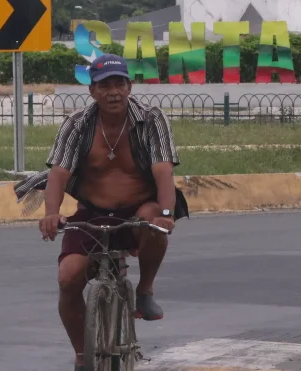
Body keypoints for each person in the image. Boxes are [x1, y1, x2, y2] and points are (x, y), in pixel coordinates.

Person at [21, 54, 187, 370]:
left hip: (140, 207)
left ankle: (145, 290)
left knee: (154, 223)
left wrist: (166, 212)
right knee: (68, 278)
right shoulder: (77, 124)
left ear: (130, 86)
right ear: (92, 91)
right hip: (93, 213)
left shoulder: (151, 119)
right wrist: (52, 213)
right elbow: (58, 173)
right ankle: (83, 356)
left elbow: (163, 171)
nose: (114, 92)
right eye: (105, 85)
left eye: (120, 84)